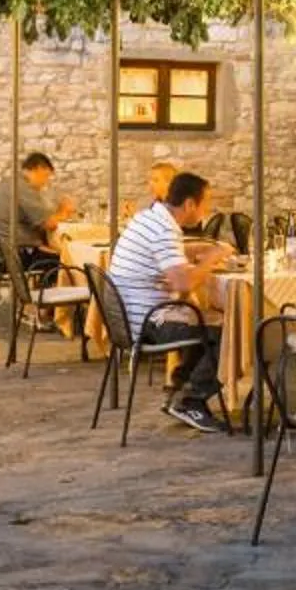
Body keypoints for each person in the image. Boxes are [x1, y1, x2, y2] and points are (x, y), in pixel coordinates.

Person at [110, 169, 236, 432]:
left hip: (128, 317)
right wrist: (212, 258)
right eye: (205, 203)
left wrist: (197, 250)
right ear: (190, 203)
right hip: (149, 321)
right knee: (230, 331)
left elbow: (166, 253)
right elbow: (183, 283)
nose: (207, 209)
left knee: (211, 321)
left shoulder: (149, 218)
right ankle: (192, 400)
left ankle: (178, 391)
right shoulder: (164, 229)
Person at [0, 150, 70, 270]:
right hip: (11, 255)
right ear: (38, 168)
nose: (45, 182)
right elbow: (49, 224)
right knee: (66, 262)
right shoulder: (23, 188)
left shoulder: (12, 183)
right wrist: (65, 211)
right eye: (46, 176)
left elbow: (41, 217)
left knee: (55, 253)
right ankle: (49, 289)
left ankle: (40, 288)